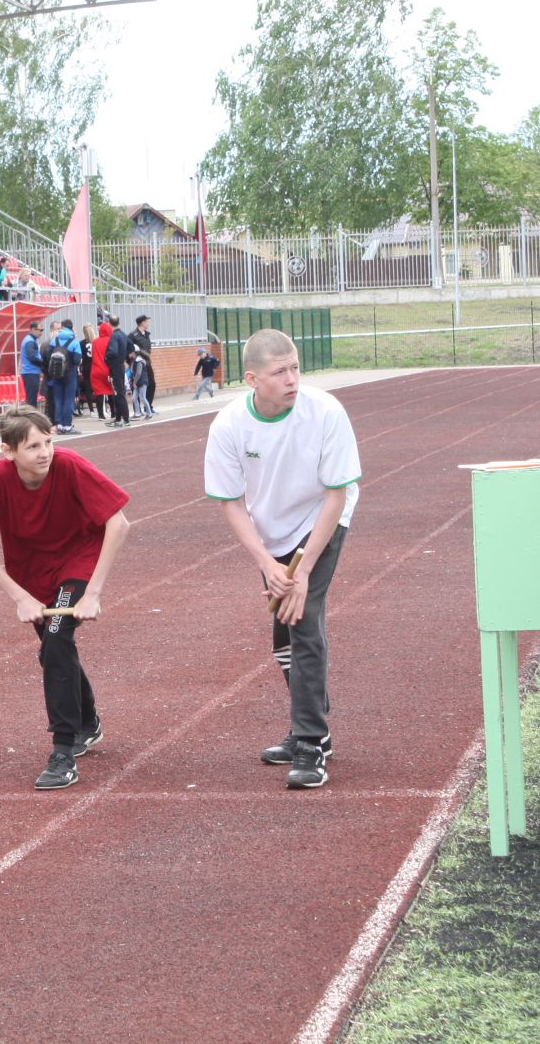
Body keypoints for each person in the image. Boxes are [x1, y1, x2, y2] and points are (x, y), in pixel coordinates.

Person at [205, 328, 361, 791]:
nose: (293, 378)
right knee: (281, 630)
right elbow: (231, 502)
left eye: (295, 367)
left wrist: (304, 568)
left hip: (321, 522)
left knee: (302, 618)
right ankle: (309, 709)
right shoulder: (229, 425)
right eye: (280, 372)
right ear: (252, 378)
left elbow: (336, 494)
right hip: (269, 531)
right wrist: (269, 565)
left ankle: (312, 740)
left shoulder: (326, 411)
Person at [0, 405, 131, 790]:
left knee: (55, 639)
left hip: (77, 562)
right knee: (57, 645)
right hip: (31, 574)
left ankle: (63, 752)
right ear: (8, 452)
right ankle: (88, 721)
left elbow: (118, 524)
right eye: (34, 446)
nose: (45, 452)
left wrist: (94, 593)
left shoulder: (69, 465)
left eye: (48, 441)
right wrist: (18, 596)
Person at [45, 319, 80, 433]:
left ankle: (59, 425)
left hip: (56, 373)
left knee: (58, 399)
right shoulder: (75, 342)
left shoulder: (54, 340)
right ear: (71, 328)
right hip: (70, 373)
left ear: (62, 327)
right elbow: (77, 359)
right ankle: (67, 425)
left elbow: (48, 356)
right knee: (69, 400)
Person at [103, 314, 132, 426]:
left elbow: (113, 351)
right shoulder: (123, 335)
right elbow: (131, 348)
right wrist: (126, 359)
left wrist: (106, 358)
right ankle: (119, 418)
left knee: (118, 392)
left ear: (109, 323)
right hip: (120, 365)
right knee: (118, 392)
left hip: (115, 366)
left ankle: (125, 418)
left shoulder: (114, 336)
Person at [130, 316, 158, 413]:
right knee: (136, 385)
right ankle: (137, 410)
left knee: (152, 384)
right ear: (142, 323)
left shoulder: (146, 334)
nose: (148, 323)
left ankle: (148, 406)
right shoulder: (133, 335)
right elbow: (130, 349)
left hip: (147, 363)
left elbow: (148, 347)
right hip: (138, 363)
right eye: (147, 321)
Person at [18, 319, 44, 407]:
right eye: (40, 330)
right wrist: (44, 362)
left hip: (30, 372)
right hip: (31, 373)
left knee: (31, 398)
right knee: (31, 400)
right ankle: (31, 418)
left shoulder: (29, 340)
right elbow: (32, 357)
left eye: (42, 330)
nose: (41, 332)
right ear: (33, 330)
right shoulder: (29, 341)